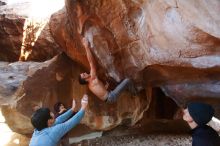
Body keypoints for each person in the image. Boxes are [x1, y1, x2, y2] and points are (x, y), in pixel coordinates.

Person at [79, 38, 136, 103]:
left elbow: (99, 90)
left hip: (108, 97)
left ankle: (129, 90)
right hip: (111, 96)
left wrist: (104, 88)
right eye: (83, 75)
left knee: (120, 82)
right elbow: (91, 62)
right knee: (128, 80)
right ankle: (135, 93)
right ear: (85, 79)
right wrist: (86, 47)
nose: (84, 73)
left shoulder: (90, 85)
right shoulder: (92, 79)